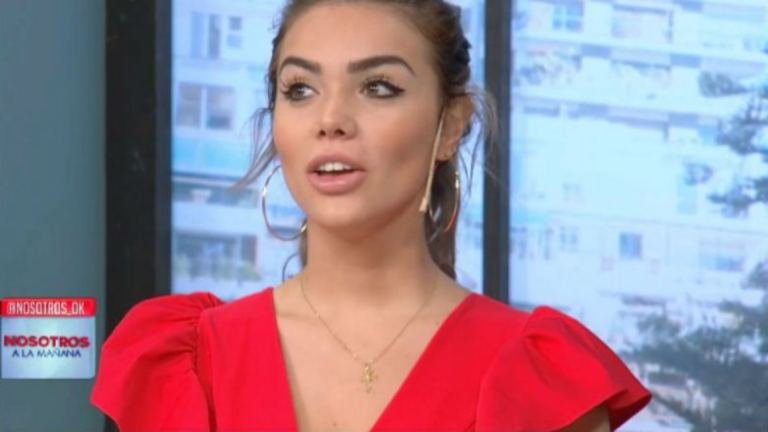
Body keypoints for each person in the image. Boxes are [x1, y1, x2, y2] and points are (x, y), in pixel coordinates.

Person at [90, 1, 652, 431]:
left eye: (378, 87)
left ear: (451, 126)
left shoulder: (538, 382)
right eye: (300, 89)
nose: (331, 119)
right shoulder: (190, 363)